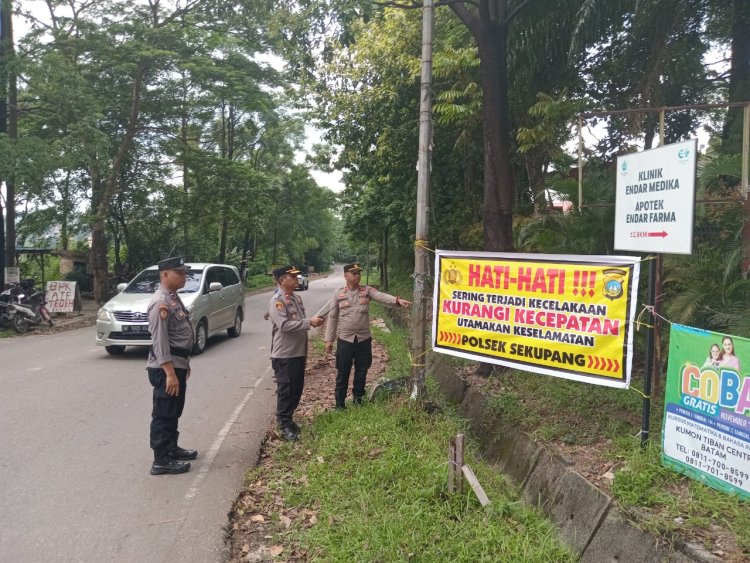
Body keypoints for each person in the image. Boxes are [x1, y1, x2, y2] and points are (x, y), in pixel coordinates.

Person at [324, 262, 411, 409]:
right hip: (345, 339)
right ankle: (340, 404)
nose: (357, 276)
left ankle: (358, 399)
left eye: (359, 273)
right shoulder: (338, 294)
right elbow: (332, 317)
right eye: (354, 273)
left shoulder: (366, 290)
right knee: (343, 371)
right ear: (346, 276)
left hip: (363, 339)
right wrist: (329, 340)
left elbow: (381, 296)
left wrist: (397, 300)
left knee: (362, 370)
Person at [146, 256, 197, 475]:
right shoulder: (161, 303)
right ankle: (160, 459)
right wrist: (169, 373)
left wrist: (184, 365)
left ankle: (172, 448)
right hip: (165, 367)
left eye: (185, 273)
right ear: (165, 274)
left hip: (178, 363)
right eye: (180, 273)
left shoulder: (174, 298)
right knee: (163, 413)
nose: (184, 277)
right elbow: (160, 341)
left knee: (174, 410)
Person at [267, 265, 323, 441]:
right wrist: (309, 322)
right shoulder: (277, 301)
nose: (297, 279)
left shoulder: (296, 299)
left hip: (298, 352)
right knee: (286, 390)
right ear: (282, 280)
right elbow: (284, 326)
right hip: (285, 354)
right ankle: (283, 425)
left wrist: (310, 322)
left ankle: (289, 419)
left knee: (296, 389)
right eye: (292, 276)